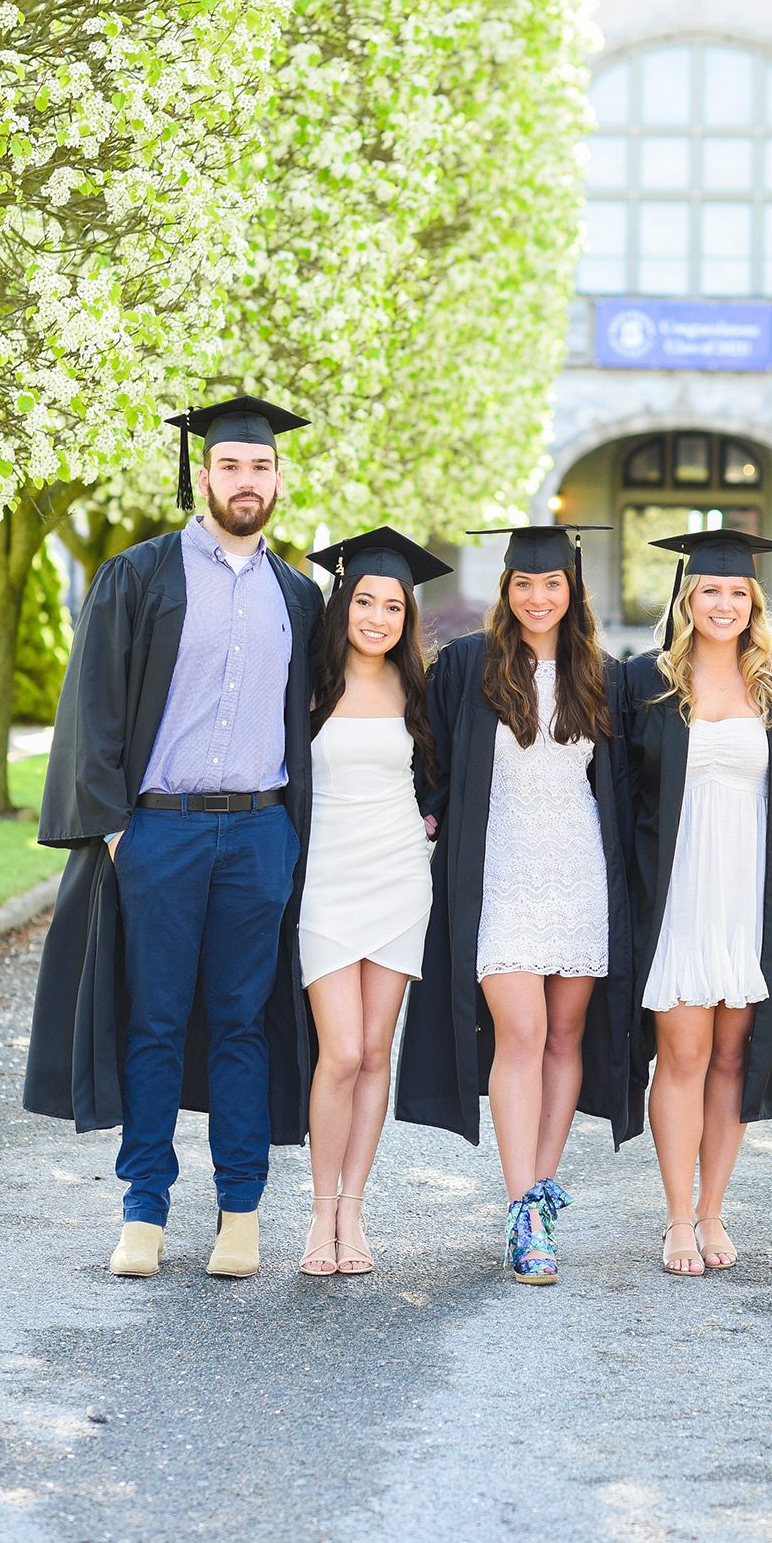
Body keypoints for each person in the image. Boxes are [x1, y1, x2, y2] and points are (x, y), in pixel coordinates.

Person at [24, 396, 325, 1279]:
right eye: (231, 466)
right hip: (160, 835)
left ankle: (240, 1214)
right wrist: (116, 832)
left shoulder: (297, 596)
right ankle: (143, 1211)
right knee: (152, 1023)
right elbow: (94, 706)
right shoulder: (141, 576)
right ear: (203, 476)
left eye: (261, 468)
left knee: (241, 1025)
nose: (247, 481)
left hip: (259, 833)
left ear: (277, 480)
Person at [395, 525, 639, 1284]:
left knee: (566, 1037)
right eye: (524, 584)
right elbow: (424, 755)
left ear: (573, 591)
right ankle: (521, 1201)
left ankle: (537, 1193)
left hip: (577, 872)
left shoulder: (603, 674)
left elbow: (624, 786)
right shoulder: (467, 666)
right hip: (498, 871)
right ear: (506, 590)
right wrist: (428, 817)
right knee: (522, 1032)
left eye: (552, 584)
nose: (538, 597)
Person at [621, 528, 772, 1278]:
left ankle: (712, 1211)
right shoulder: (647, 685)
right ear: (686, 599)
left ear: (753, 604)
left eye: (737, 593)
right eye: (709, 591)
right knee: (684, 1052)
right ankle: (673, 1217)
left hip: (749, 891)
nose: (723, 604)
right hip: (681, 890)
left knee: (732, 1055)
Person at [297, 527, 452, 1277]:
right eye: (365, 601)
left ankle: (352, 1211)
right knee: (343, 1051)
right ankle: (319, 1209)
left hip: (396, 876)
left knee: (375, 1054)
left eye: (393, 606)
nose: (378, 617)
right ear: (343, 603)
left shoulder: (416, 685)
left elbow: (440, 778)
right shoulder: (308, 683)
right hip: (324, 878)